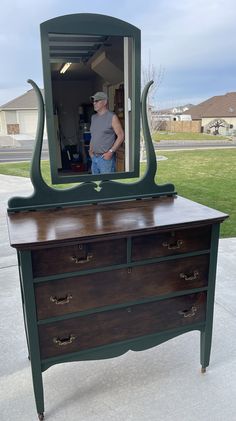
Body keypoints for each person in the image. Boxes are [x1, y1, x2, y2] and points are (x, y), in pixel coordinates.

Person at [89, 91, 124, 174]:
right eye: (93, 101)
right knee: (96, 184)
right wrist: (90, 151)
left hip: (105, 159)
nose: (94, 103)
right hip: (94, 158)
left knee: (107, 185)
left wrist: (110, 152)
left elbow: (121, 136)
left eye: (97, 101)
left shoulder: (112, 117)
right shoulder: (93, 117)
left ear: (105, 102)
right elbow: (93, 136)